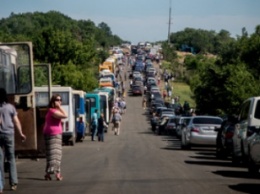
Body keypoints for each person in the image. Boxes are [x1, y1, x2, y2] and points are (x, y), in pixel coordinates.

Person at [0, 88, 26, 191]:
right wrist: (21, 133)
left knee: (0, 160)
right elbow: (16, 121)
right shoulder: (11, 107)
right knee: (11, 158)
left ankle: (1, 184)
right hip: (9, 134)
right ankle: (13, 183)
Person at [43, 94, 67, 181]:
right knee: (55, 155)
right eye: (57, 100)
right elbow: (65, 115)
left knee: (52, 155)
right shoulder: (52, 111)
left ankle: (48, 173)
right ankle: (57, 173)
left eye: (61, 100)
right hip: (52, 134)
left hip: (55, 134)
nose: (60, 101)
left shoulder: (53, 110)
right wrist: (59, 107)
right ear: (53, 101)